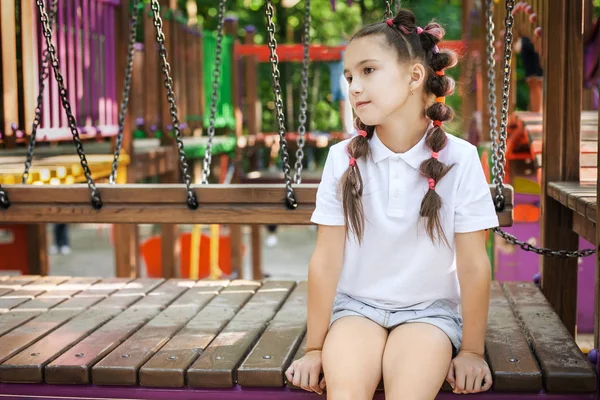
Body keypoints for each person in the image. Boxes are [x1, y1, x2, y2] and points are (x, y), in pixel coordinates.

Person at [285, 8, 499, 399]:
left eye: (368, 70)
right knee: (345, 391)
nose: (353, 86)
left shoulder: (460, 158)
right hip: (356, 309)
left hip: (429, 313)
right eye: (349, 76)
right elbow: (326, 259)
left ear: (415, 77)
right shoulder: (342, 158)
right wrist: (314, 348)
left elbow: (472, 263)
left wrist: (471, 350)